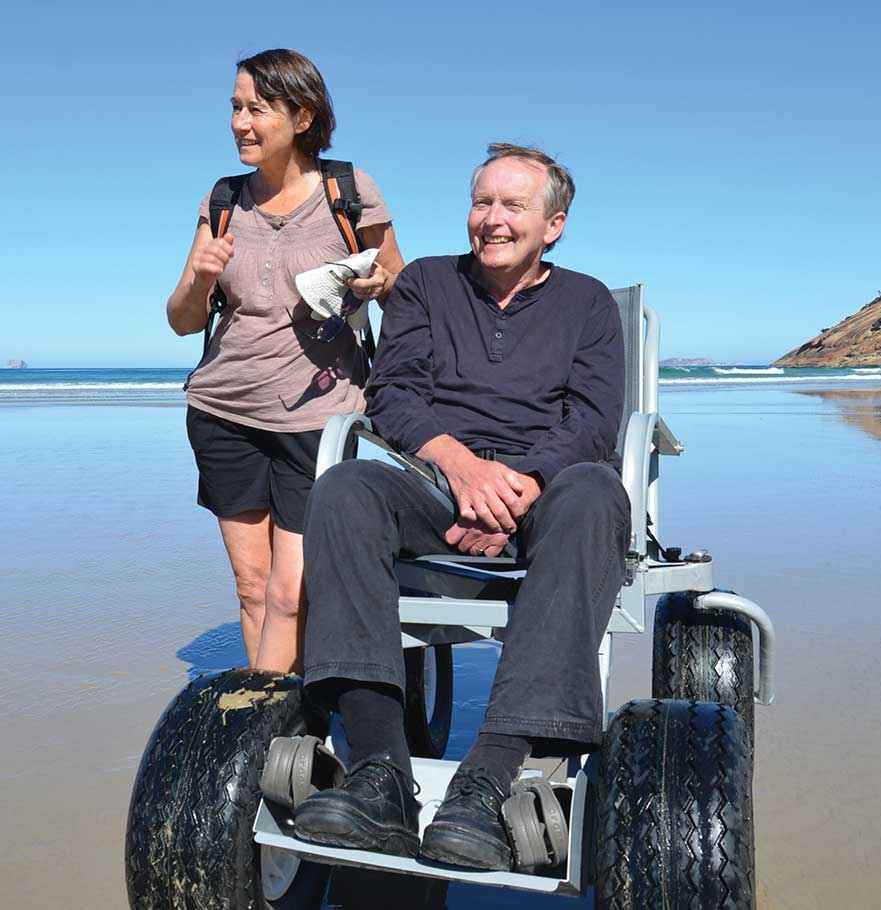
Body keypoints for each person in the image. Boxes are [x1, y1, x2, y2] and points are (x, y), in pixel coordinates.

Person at [292, 143, 632, 870]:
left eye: (513, 206)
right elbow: (395, 396)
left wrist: (516, 487)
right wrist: (465, 470)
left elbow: (595, 421)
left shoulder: (588, 303)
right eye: (483, 202)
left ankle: (488, 776)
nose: (493, 220)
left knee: (598, 491)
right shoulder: (424, 285)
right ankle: (381, 772)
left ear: (554, 225)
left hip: (547, 493)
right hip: (438, 484)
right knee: (344, 488)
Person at [166, 49, 404, 673]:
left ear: (302, 116)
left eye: (258, 109)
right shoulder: (222, 200)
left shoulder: (348, 192)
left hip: (317, 418)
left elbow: (402, 292)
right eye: (236, 108)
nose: (241, 123)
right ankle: (277, 736)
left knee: (290, 592)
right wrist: (201, 278)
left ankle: (291, 728)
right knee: (252, 588)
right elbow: (183, 319)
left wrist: (377, 286)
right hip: (223, 410)